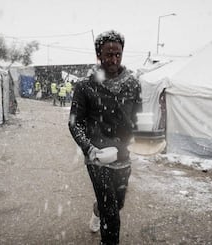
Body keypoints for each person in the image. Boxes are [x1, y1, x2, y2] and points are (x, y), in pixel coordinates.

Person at [68, 30, 142, 245]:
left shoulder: (132, 84)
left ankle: (96, 210)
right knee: (111, 211)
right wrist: (88, 147)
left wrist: (144, 136)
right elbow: (75, 123)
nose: (113, 60)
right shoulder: (85, 86)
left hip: (123, 154)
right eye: (108, 54)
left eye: (117, 54)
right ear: (98, 54)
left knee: (117, 203)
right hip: (97, 156)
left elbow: (138, 117)